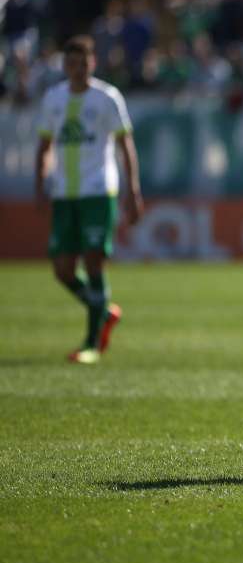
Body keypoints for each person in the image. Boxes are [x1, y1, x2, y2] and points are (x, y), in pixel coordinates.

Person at [34, 35, 144, 364]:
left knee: (94, 260)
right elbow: (45, 146)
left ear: (92, 63)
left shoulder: (107, 98)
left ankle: (92, 343)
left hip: (98, 190)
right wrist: (40, 184)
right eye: (71, 63)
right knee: (63, 270)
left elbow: (126, 145)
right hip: (65, 194)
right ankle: (104, 311)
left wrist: (133, 190)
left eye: (84, 63)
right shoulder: (53, 99)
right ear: (64, 65)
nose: (78, 70)